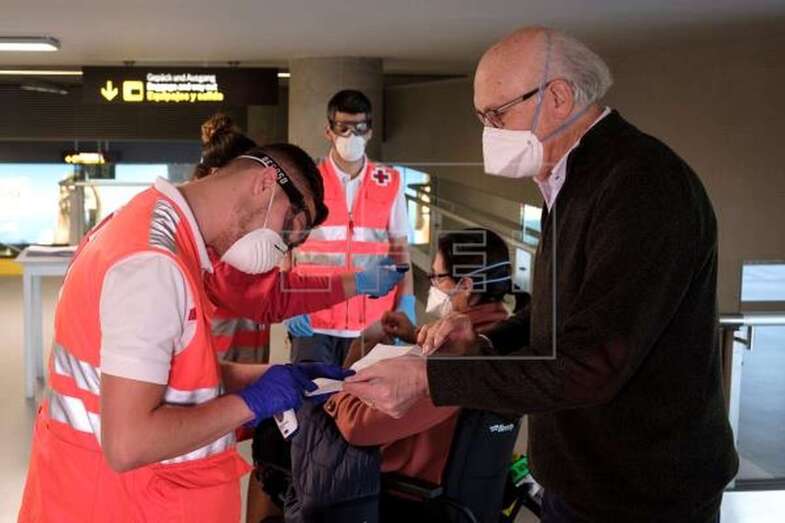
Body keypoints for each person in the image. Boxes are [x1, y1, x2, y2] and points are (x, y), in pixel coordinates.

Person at [345, 27, 738, 522]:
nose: (488, 131)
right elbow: (557, 315)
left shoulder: (641, 183)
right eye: (481, 117)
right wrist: (483, 343)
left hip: (642, 494)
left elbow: (590, 362)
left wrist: (431, 378)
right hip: (581, 480)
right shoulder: (571, 178)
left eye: (497, 114)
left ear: (557, 96)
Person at [18, 143, 358, 522]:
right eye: (288, 227)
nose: (281, 249)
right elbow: (129, 444)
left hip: (97, 494)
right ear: (265, 183)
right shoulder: (153, 265)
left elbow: (168, 376)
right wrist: (251, 403)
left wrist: (274, 379)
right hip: (121, 505)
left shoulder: (150, 227)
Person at [285, 89, 415, 366]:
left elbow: (400, 251)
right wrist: (287, 302)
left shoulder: (389, 181)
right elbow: (286, 247)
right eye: (343, 128)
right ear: (328, 131)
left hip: (372, 324)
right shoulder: (307, 182)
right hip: (314, 321)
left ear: (369, 132)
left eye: (359, 128)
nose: (351, 136)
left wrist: (407, 302)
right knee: (312, 403)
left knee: (364, 406)